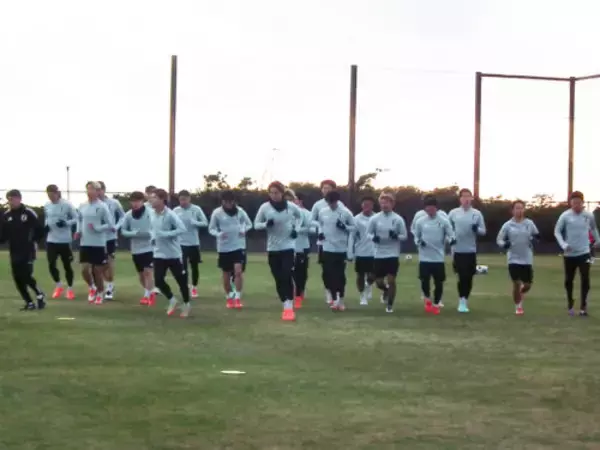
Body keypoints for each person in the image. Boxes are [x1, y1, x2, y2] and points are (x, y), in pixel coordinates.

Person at [255, 181, 307, 320]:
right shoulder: (265, 207)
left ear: (282, 193)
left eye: (276, 193)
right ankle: (284, 301)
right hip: (273, 247)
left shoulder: (291, 206)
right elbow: (256, 224)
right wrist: (266, 224)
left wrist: (296, 229)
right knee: (278, 277)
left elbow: (300, 216)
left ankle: (289, 306)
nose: (274, 195)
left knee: (286, 273)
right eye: (271, 193)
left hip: (288, 246)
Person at [554, 191, 600, 316]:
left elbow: (593, 228)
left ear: (582, 203)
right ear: (570, 203)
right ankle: (570, 302)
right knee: (569, 280)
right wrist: (563, 245)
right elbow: (557, 231)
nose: (576, 205)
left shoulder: (588, 215)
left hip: (584, 252)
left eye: (579, 203)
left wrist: (598, 240)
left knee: (585, 278)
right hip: (569, 254)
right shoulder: (565, 216)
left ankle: (583, 306)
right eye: (574, 203)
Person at [0, 190, 46, 310]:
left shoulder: (28, 212)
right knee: (17, 277)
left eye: (13, 199)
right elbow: (4, 236)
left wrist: (34, 241)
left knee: (25, 275)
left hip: (28, 250)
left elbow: (40, 230)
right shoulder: (7, 215)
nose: (11, 202)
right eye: (9, 199)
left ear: (19, 199)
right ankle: (29, 302)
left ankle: (39, 294)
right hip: (14, 250)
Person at [148, 189, 191, 317]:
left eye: (154, 198)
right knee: (158, 281)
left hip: (173, 254)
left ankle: (186, 304)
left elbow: (182, 229)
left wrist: (166, 234)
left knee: (181, 281)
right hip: (158, 253)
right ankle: (172, 300)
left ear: (162, 200)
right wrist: (153, 237)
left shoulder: (170, 215)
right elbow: (152, 229)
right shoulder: (151, 213)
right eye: (151, 197)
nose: (151, 200)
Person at [208, 190, 252, 309]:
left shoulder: (240, 211)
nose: (228, 204)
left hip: (238, 245)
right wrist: (219, 234)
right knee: (226, 274)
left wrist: (244, 230)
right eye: (226, 201)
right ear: (222, 201)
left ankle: (237, 297)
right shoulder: (217, 213)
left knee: (238, 271)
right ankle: (229, 297)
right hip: (224, 247)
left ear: (234, 201)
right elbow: (211, 229)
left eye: (230, 201)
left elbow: (249, 224)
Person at [497, 200, 540, 315]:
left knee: (527, 285)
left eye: (521, 208)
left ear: (524, 210)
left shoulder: (529, 223)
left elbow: (536, 235)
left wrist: (536, 239)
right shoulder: (508, 225)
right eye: (517, 208)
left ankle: (521, 292)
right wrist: (504, 244)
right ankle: (518, 306)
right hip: (513, 258)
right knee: (516, 283)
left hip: (527, 257)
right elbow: (499, 239)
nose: (519, 211)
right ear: (512, 210)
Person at [367, 192, 408, 313]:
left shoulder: (398, 219)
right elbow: (368, 233)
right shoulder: (375, 219)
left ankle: (390, 305)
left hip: (392, 254)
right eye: (382, 203)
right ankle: (385, 290)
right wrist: (373, 238)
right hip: (379, 253)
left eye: (387, 203)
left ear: (392, 204)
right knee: (379, 282)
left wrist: (396, 236)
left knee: (391, 280)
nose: (384, 205)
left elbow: (404, 236)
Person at [413, 195, 455, 314]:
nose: (430, 209)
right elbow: (416, 236)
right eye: (428, 207)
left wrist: (452, 240)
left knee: (439, 282)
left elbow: (451, 234)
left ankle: (436, 304)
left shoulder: (443, 221)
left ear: (436, 208)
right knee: (424, 281)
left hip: (438, 258)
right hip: (424, 257)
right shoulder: (420, 221)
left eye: (432, 207)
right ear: (425, 208)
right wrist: (419, 242)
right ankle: (427, 299)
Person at [316, 190, 356, 311]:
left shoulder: (345, 212)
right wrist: (320, 233)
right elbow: (320, 225)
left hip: (340, 249)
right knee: (328, 274)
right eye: (329, 202)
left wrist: (344, 227)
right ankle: (334, 298)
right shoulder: (323, 212)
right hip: (327, 247)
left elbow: (354, 227)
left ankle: (341, 300)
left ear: (337, 201)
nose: (331, 204)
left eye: (333, 202)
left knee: (339, 275)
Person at [75, 181, 115, 304]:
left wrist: (98, 228)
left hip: (98, 243)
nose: (90, 192)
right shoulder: (82, 205)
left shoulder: (102, 206)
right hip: (84, 242)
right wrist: (78, 231)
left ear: (97, 192)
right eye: (88, 189)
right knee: (84, 269)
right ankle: (92, 287)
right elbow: (79, 219)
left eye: (92, 189)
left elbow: (110, 224)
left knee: (97, 271)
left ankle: (100, 292)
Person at [448, 188, 486, 313]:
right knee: (462, 276)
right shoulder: (453, 213)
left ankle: (465, 299)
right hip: (457, 250)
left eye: (468, 196)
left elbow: (483, 231)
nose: (466, 199)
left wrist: (476, 229)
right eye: (464, 196)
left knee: (468, 277)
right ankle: (461, 300)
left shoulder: (477, 214)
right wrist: (450, 239)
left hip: (471, 250)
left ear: (471, 198)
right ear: (460, 199)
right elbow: (447, 229)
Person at [310, 179, 347, 305]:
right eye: (324, 188)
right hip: (323, 242)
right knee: (326, 270)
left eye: (329, 188)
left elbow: (346, 221)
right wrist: (320, 228)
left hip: (338, 244)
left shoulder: (340, 205)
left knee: (338, 271)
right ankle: (329, 291)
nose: (326, 190)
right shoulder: (318, 205)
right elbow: (312, 220)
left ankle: (339, 294)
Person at [120, 191, 156, 306]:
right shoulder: (128, 215)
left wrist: (150, 234)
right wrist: (134, 233)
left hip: (149, 247)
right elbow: (123, 231)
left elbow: (156, 227)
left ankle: (147, 295)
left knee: (148, 272)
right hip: (136, 249)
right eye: (133, 201)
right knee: (141, 275)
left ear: (142, 201)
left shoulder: (150, 212)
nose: (135, 204)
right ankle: (149, 291)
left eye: (138, 201)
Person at [43, 184, 78, 300]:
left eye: (52, 194)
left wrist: (66, 223)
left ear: (57, 193)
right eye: (48, 195)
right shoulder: (47, 205)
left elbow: (76, 218)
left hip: (64, 240)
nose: (51, 197)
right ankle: (58, 285)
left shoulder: (67, 204)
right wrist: (46, 226)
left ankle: (70, 289)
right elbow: (47, 218)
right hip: (51, 240)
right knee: (51, 263)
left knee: (67, 265)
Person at [174, 190, 208, 298]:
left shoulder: (196, 209)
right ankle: (185, 286)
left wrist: (195, 223)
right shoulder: (176, 211)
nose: (182, 202)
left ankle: (194, 287)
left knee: (194, 266)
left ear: (189, 199)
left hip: (193, 243)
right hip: (180, 243)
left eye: (184, 199)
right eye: (180, 200)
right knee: (182, 267)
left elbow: (205, 222)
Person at [284, 190, 313, 309]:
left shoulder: (305, 213)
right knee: (287, 271)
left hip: (302, 246)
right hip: (287, 247)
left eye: (294, 199)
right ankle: (291, 293)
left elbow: (311, 228)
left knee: (301, 272)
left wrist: (297, 230)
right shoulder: (285, 212)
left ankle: (299, 293)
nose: (292, 201)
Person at [97, 181, 125, 300]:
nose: (97, 192)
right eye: (95, 190)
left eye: (99, 190)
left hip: (110, 237)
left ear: (104, 190)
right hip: (96, 238)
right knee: (99, 264)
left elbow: (123, 216)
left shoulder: (114, 202)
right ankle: (103, 285)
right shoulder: (91, 204)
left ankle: (110, 286)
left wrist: (116, 227)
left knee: (109, 262)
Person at [348, 195, 376, 306]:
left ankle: (368, 285)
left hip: (375, 252)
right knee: (360, 275)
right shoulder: (356, 219)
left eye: (369, 205)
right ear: (361, 206)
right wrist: (350, 252)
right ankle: (362, 295)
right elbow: (352, 236)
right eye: (365, 205)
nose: (367, 207)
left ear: (373, 205)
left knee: (374, 274)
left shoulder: (377, 218)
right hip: (360, 251)